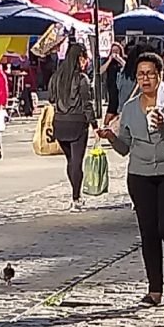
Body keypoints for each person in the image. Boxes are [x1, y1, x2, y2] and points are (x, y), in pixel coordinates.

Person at [97, 52, 164, 307]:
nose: (145, 78)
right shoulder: (130, 108)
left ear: (160, 75)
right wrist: (111, 137)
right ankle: (155, 290)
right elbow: (125, 148)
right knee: (148, 232)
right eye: (141, 74)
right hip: (140, 176)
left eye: (150, 73)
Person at [48, 43, 97, 212]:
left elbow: (50, 99)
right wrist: (94, 125)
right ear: (80, 58)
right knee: (77, 162)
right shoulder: (81, 79)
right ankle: (76, 197)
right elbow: (87, 104)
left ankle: (75, 195)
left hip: (59, 122)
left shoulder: (56, 77)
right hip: (77, 123)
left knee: (70, 161)